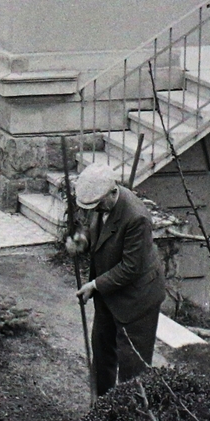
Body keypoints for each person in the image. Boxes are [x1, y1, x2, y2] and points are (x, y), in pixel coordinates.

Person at [67, 162, 166, 396]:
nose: (96, 210)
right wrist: (83, 241)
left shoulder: (136, 217)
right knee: (102, 355)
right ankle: (102, 411)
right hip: (108, 295)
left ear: (113, 192)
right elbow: (97, 232)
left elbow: (130, 268)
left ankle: (132, 420)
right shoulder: (102, 204)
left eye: (99, 204)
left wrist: (95, 284)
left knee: (133, 369)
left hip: (137, 300)